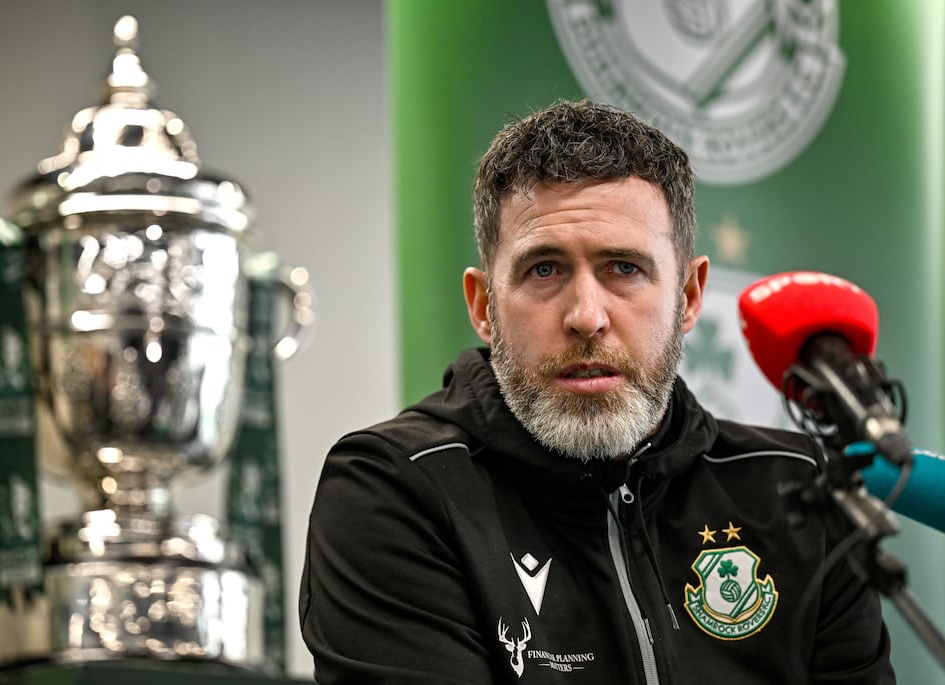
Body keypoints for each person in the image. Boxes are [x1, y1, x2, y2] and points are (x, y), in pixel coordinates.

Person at [299, 100, 894, 683]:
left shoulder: (799, 490)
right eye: (544, 269)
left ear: (688, 297)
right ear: (483, 307)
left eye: (624, 268)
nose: (586, 316)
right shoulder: (395, 488)